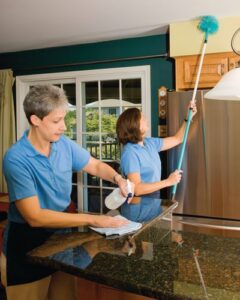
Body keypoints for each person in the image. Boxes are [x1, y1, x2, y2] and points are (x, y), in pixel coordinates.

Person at [1, 85, 134, 300]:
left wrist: (118, 178)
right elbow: (34, 217)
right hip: (28, 241)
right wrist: (96, 220)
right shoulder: (16, 159)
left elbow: (96, 166)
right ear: (35, 120)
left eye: (64, 119)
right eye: (56, 121)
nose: (64, 127)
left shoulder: (63, 145)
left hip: (62, 235)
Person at [116, 104, 197, 198]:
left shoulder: (150, 143)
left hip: (154, 198)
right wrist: (168, 182)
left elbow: (178, 139)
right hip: (140, 204)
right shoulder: (130, 153)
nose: (146, 120)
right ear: (135, 125)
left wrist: (188, 118)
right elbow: (137, 189)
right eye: (143, 118)